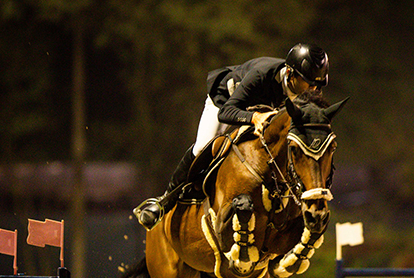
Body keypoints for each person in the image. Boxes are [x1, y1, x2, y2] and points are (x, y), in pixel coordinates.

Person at [134, 43, 330, 230]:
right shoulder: (262, 74)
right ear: (290, 73)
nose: (313, 90)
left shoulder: (303, 89)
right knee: (203, 146)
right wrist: (254, 117)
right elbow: (225, 112)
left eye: (317, 85)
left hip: (261, 113)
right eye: (309, 83)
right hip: (226, 103)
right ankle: (165, 201)